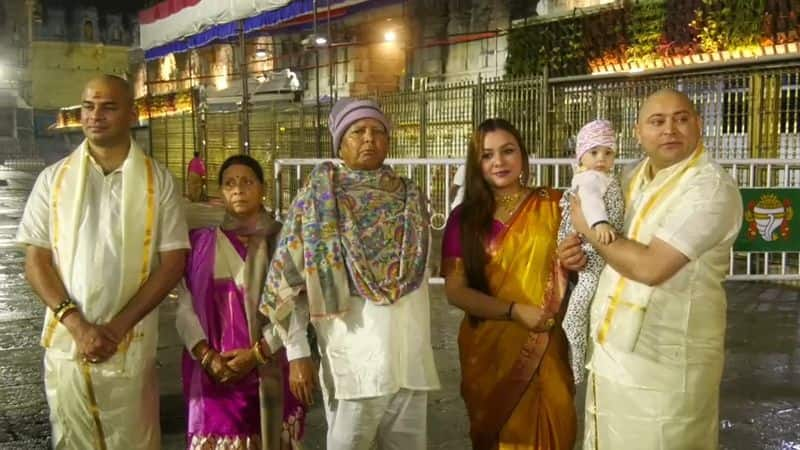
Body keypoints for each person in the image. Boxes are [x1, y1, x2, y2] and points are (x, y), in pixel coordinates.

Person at [559, 88, 743, 449]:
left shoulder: (709, 188)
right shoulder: (629, 177)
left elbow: (653, 267)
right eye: (657, 122)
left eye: (681, 119)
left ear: (699, 125)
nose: (669, 130)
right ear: (637, 133)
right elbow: (604, 248)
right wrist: (575, 253)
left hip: (669, 362)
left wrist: (589, 231)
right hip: (613, 352)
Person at [17, 75, 189, 449]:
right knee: (71, 437)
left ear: (132, 113)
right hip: (68, 342)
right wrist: (78, 326)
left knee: (134, 439)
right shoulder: (52, 180)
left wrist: (117, 328)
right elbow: (36, 261)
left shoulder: (158, 182)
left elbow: (174, 261)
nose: (95, 116)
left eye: (109, 107)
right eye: (88, 106)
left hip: (129, 344)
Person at [260, 98, 440, 450]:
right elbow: (286, 282)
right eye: (358, 131)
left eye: (377, 131)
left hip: (411, 356)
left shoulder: (411, 198)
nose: (369, 139)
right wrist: (296, 353)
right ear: (340, 143)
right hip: (355, 359)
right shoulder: (316, 202)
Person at [441, 118, 576, 450]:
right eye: (487, 156)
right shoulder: (465, 219)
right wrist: (514, 311)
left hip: (545, 344)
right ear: (477, 164)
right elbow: (455, 291)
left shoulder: (556, 205)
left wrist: (576, 261)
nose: (499, 162)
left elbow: (584, 266)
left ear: (523, 156)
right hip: (488, 349)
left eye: (507, 151)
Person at [176, 154, 306, 449]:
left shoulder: (283, 242)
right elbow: (184, 306)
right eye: (229, 184)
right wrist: (207, 356)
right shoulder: (200, 243)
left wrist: (257, 354)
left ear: (263, 189)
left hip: (268, 370)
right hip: (213, 377)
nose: (238, 190)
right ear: (221, 192)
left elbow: (295, 306)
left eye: (247, 182)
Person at [557, 119, 624, 384]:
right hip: (591, 254)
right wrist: (599, 223)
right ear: (581, 155)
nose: (601, 159)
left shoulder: (606, 177)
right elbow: (592, 201)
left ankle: (577, 355)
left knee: (586, 303)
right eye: (594, 152)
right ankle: (574, 362)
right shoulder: (589, 178)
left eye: (608, 153)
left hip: (598, 253)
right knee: (578, 310)